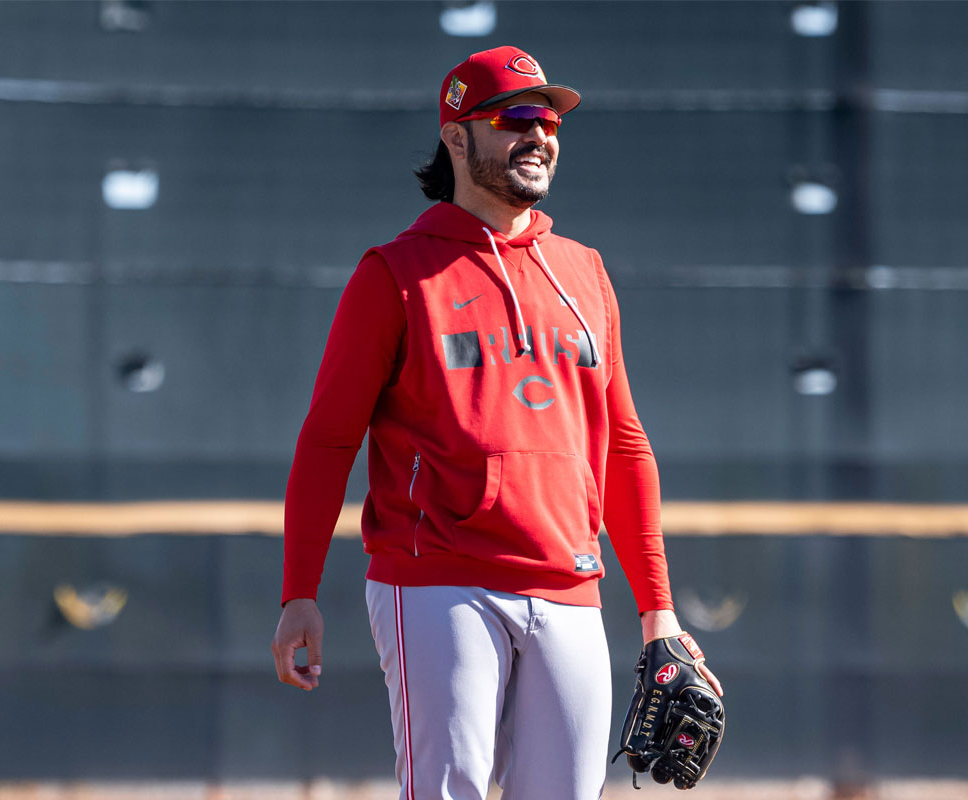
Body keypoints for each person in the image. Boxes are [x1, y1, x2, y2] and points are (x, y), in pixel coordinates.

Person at [271, 46, 722, 800]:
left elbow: (624, 445)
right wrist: (298, 592)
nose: (538, 134)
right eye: (514, 118)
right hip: (439, 579)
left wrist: (659, 612)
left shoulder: (584, 271)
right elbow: (328, 439)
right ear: (455, 136)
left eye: (548, 120)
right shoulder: (395, 274)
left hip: (570, 584)